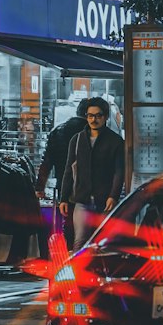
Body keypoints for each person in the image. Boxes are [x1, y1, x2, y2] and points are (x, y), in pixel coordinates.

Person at [59, 98, 126, 249]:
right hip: (82, 199)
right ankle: (78, 272)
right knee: (80, 243)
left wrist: (113, 196)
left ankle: (100, 272)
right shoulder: (77, 140)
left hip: (104, 201)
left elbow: (119, 171)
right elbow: (69, 170)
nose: (93, 119)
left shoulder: (115, 141)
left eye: (98, 115)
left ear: (106, 116)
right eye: (90, 115)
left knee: (103, 244)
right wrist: (64, 198)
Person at [36, 98, 89, 247]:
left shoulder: (58, 131)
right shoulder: (92, 132)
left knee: (68, 222)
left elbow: (46, 162)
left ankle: (71, 253)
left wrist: (40, 187)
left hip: (64, 185)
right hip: (90, 187)